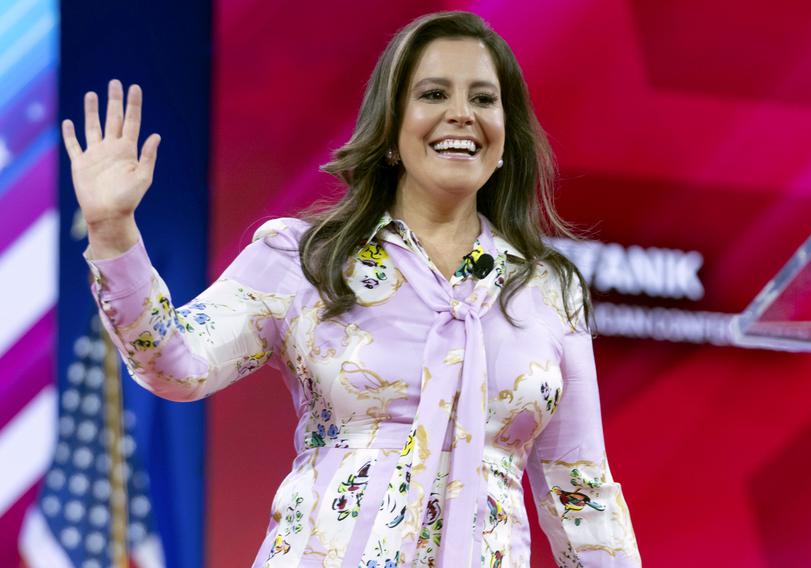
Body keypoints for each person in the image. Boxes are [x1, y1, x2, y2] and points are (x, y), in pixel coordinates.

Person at [61, 10, 641, 568]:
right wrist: (114, 232)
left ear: (506, 137)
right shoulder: (303, 256)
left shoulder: (548, 289)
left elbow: (582, 493)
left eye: (483, 98)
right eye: (433, 94)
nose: (462, 114)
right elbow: (174, 363)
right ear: (390, 130)